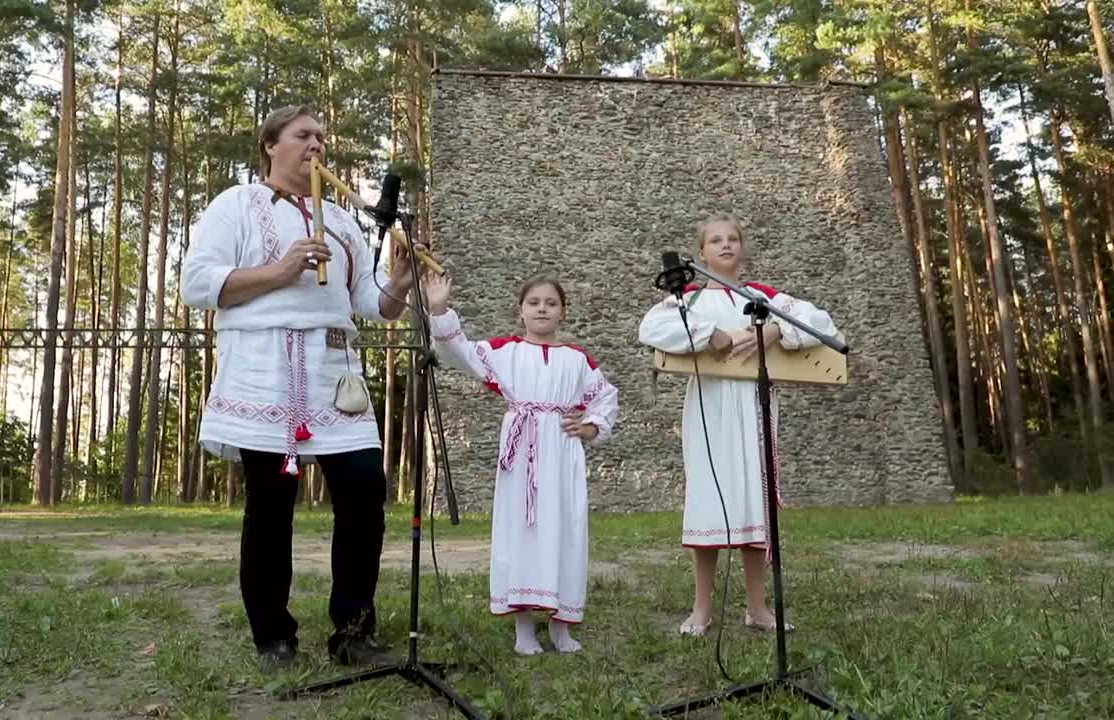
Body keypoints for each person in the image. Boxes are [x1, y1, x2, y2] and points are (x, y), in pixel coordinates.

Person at [180, 105, 422, 668]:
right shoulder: (236, 205)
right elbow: (197, 284)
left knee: (364, 491)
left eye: (321, 137)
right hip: (265, 366)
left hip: (334, 371)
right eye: (303, 135)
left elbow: (371, 304)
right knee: (270, 504)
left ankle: (354, 630)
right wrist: (281, 270)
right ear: (271, 145)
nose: (317, 145)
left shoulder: (339, 220)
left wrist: (401, 282)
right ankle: (274, 636)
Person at [637, 213, 840, 637]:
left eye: (733, 239)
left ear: (742, 248)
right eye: (715, 240)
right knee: (709, 499)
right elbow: (651, 327)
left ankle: (757, 607)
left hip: (754, 407)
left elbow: (821, 322)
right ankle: (702, 608)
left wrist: (775, 332)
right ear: (701, 253)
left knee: (754, 502)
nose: (725, 245)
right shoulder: (687, 299)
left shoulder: (762, 297)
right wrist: (709, 335)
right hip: (709, 407)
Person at [423, 272, 619, 655]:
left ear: (563, 312)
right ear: (521, 311)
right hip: (522, 452)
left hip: (562, 453)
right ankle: (524, 627)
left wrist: (591, 426)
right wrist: (440, 307)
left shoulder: (577, 359)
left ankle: (562, 624)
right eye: (534, 302)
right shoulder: (505, 352)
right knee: (523, 530)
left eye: (551, 303)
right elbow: (456, 351)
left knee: (566, 527)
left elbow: (605, 397)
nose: (542, 308)